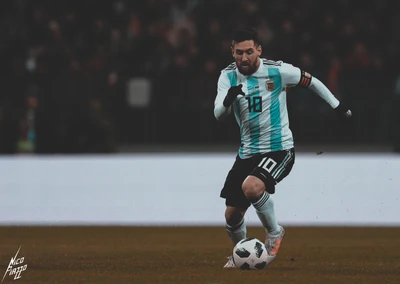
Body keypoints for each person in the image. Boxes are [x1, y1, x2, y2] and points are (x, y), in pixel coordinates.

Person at [213, 28, 352, 268]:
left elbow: (312, 81)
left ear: (259, 50)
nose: (244, 58)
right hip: (247, 152)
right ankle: (242, 255)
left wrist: (337, 107)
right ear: (232, 52)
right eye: (239, 53)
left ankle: (274, 232)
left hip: (279, 149)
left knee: (252, 187)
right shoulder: (227, 77)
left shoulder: (277, 71)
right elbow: (218, 115)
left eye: (249, 51)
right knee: (231, 216)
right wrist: (228, 99)